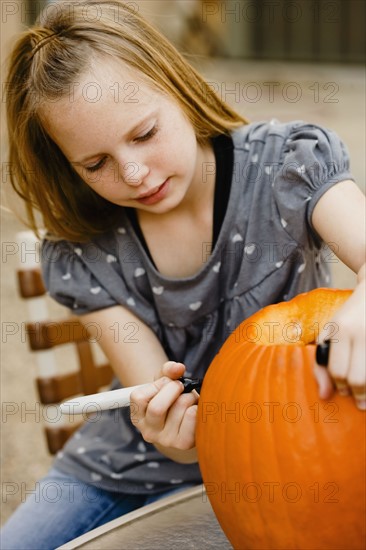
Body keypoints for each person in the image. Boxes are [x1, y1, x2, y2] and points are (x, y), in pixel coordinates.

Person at [1, 0, 365, 548]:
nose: (134, 173)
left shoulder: (289, 166)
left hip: (293, 456)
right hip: (126, 465)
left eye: (144, 133)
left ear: (177, 87)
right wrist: (175, 436)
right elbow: (171, 425)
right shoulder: (86, 249)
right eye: (95, 164)